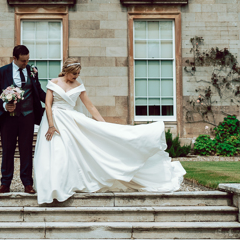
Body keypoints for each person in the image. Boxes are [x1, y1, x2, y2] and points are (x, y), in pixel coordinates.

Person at [33, 57, 185, 204]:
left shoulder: (79, 86)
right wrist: (52, 125)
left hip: (71, 121)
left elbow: (90, 107)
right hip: (53, 121)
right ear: (66, 71)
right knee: (55, 152)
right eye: (74, 74)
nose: (76, 77)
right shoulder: (53, 83)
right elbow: (48, 104)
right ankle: (52, 188)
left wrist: (103, 125)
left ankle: (63, 186)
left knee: (68, 153)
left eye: (78, 74)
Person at [0, 45, 46, 194]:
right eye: (22, 61)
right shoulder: (2, 72)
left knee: (26, 150)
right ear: (14, 58)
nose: (26, 64)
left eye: (27, 60)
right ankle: (5, 183)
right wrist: (4, 104)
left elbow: (38, 91)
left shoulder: (32, 71)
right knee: (7, 150)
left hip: (28, 116)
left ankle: (27, 183)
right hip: (8, 119)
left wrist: (52, 101)